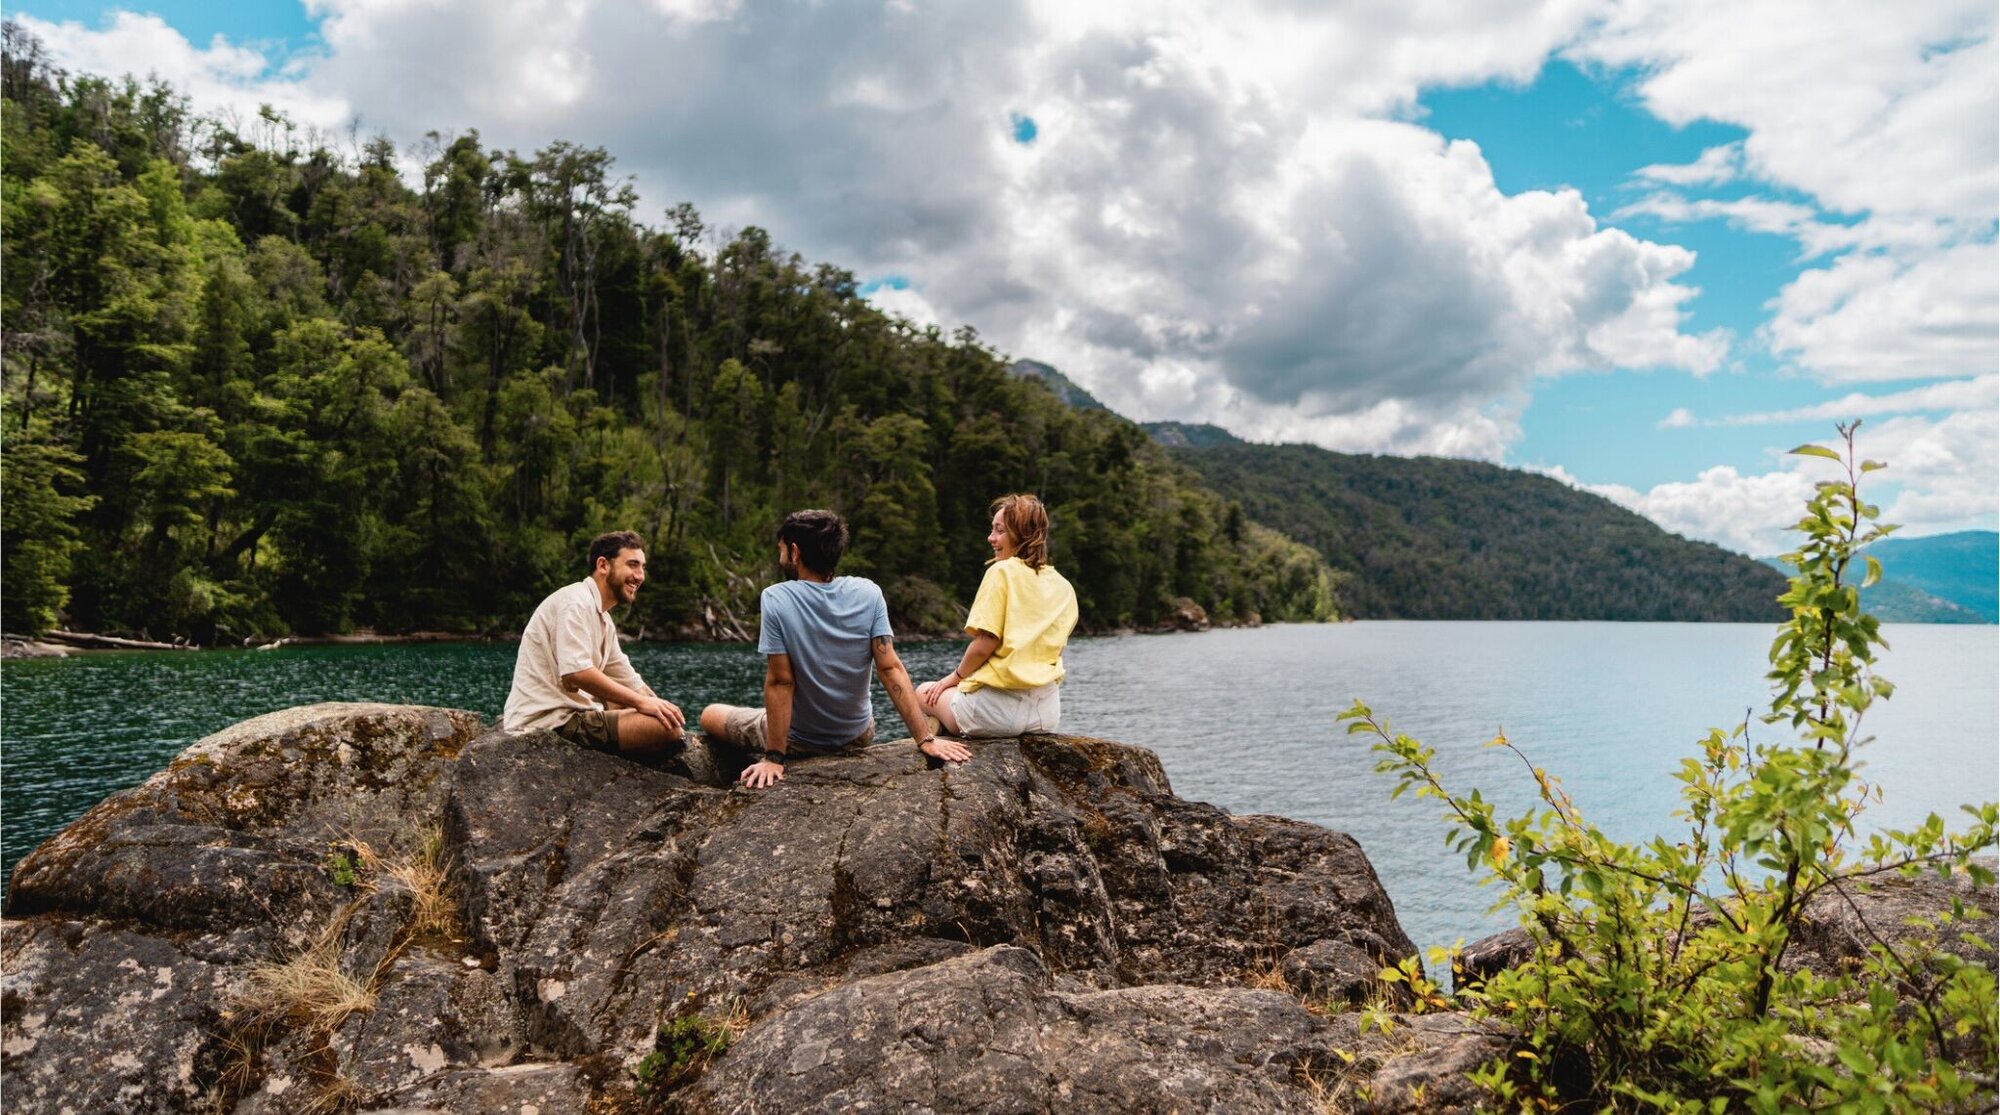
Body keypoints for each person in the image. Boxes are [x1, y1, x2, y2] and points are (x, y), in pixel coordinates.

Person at [699, 509, 972, 789]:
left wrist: (774, 757)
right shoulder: (868, 593)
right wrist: (925, 739)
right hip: (857, 734)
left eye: (781, 549)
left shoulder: (776, 599)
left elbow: (781, 681)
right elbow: (890, 668)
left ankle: (771, 731)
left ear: (795, 552)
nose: (780, 556)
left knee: (709, 713)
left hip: (800, 740)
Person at [502, 530, 686, 756]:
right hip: (548, 722)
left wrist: (659, 706)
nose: (640, 576)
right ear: (603, 565)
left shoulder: (603, 619)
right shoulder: (575, 603)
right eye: (632, 565)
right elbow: (576, 673)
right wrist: (644, 706)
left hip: (572, 716)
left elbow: (630, 681)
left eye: (642, 567)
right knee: (667, 730)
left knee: (661, 719)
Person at [917, 493, 1078, 737]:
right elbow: (1056, 651)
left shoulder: (1001, 571)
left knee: (923, 692)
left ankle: (942, 736)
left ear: (1021, 533)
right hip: (1046, 714)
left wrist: (953, 679)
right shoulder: (1064, 586)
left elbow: (985, 644)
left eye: (999, 531)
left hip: (995, 713)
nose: (991, 538)